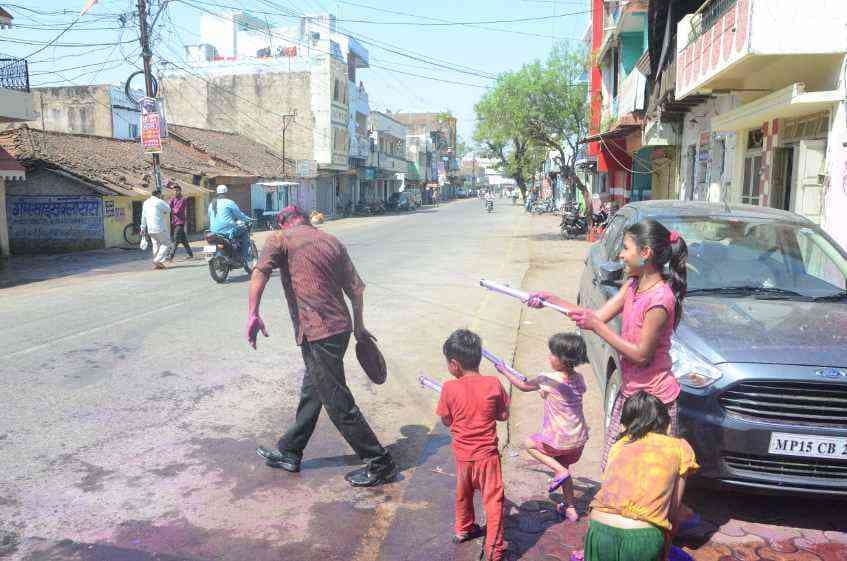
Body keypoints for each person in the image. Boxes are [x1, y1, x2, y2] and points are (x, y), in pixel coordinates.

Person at [248, 205, 397, 488]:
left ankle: (380, 462)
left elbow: (259, 274)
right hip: (339, 329)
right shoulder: (331, 241)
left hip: (318, 332)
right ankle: (290, 451)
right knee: (313, 390)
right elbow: (356, 289)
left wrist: (253, 313)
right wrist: (359, 327)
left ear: (283, 223)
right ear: (305, 220)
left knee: (336, 399)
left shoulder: (279, 239)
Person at [527, 219, 688, 471]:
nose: (620, 255)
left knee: (649, 475)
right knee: (617, 469)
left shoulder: (660, 298)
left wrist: (597, 327)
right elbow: (594, 316)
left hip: (655, 402)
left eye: (625, 248)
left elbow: (641, 355)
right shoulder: (633, 286)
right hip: (630, 394)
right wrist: (550, 299)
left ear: (645, 253)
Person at [583, 391, 698, 561]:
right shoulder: (680, 448)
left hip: (599, 528)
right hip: (642, 536)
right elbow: (673, 511)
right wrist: (664, 549)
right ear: (665, 422)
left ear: (626, 423)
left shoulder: (619, 445)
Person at [493, 333, 589, 524]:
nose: (549, 357)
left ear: (563, 359)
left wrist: (504, 370)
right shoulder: (579, 379)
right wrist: (547, 394)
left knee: (529, 444)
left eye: (552, 354)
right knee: (564, 467)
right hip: (578, 440)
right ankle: (570, 508)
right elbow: (569, 395)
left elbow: (522, 385)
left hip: (559, 440)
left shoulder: (547, 378)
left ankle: (560, 472)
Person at [436, 329, 509, 561]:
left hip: (463, 455)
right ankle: (494, 551)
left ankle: (464, 528)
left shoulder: (448, 388)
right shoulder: (493, 383)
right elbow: (503, 415)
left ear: (454, 364)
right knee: (493, 501)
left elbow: (446, 420)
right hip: (487, 456)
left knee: (463, 493)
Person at [208, 185, 251, 270]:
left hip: (213, 230)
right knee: (244, 231)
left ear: (217, 193)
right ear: (226, 193)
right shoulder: (229, 202)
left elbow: (209, 216)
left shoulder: (211, 203)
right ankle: (244, 258)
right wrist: (248, 219)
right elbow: (239, 214)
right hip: (227, 230)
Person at [140, 187, 173, 270]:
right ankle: (157, 260)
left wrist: (142, 228)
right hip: (159, 227)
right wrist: (163, 201)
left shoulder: (146, 202)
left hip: (150, 229)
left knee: (156, 244)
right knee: (166, 243)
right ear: (159, 194)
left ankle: (158, 264)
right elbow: (168, 209)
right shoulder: (159, 201)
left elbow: (143, 216)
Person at [167, 183, 194, 261]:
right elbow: (168, 206)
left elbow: (177, 211)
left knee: (175, 240)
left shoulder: (182, 199)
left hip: (180, 222)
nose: (175, 192)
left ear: (180, 191)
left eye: (177, 191)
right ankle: (190, 254)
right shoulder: (173, 199)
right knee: (184, 240)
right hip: (175, 222)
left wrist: (170, 208)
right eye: (174, 191)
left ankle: (170, 256)